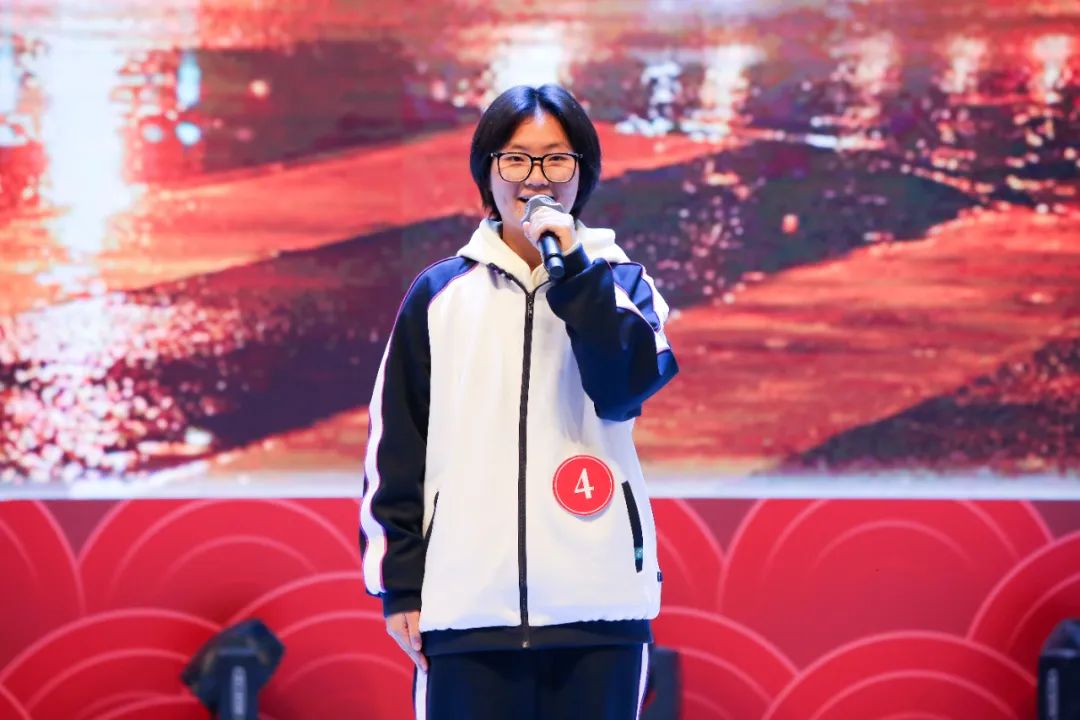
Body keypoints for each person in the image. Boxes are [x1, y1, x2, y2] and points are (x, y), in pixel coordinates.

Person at [359, 84, 679, 720]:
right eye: (516, 159)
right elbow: (397, 447)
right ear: (488, 170)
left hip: (600, 611)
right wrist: (400, 585)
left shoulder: (622, 283)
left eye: (557, 158)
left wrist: (578, 275)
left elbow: (624, 389)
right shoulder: (439, 295)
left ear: (582, 171)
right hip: (466, 612)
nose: (536, 177)